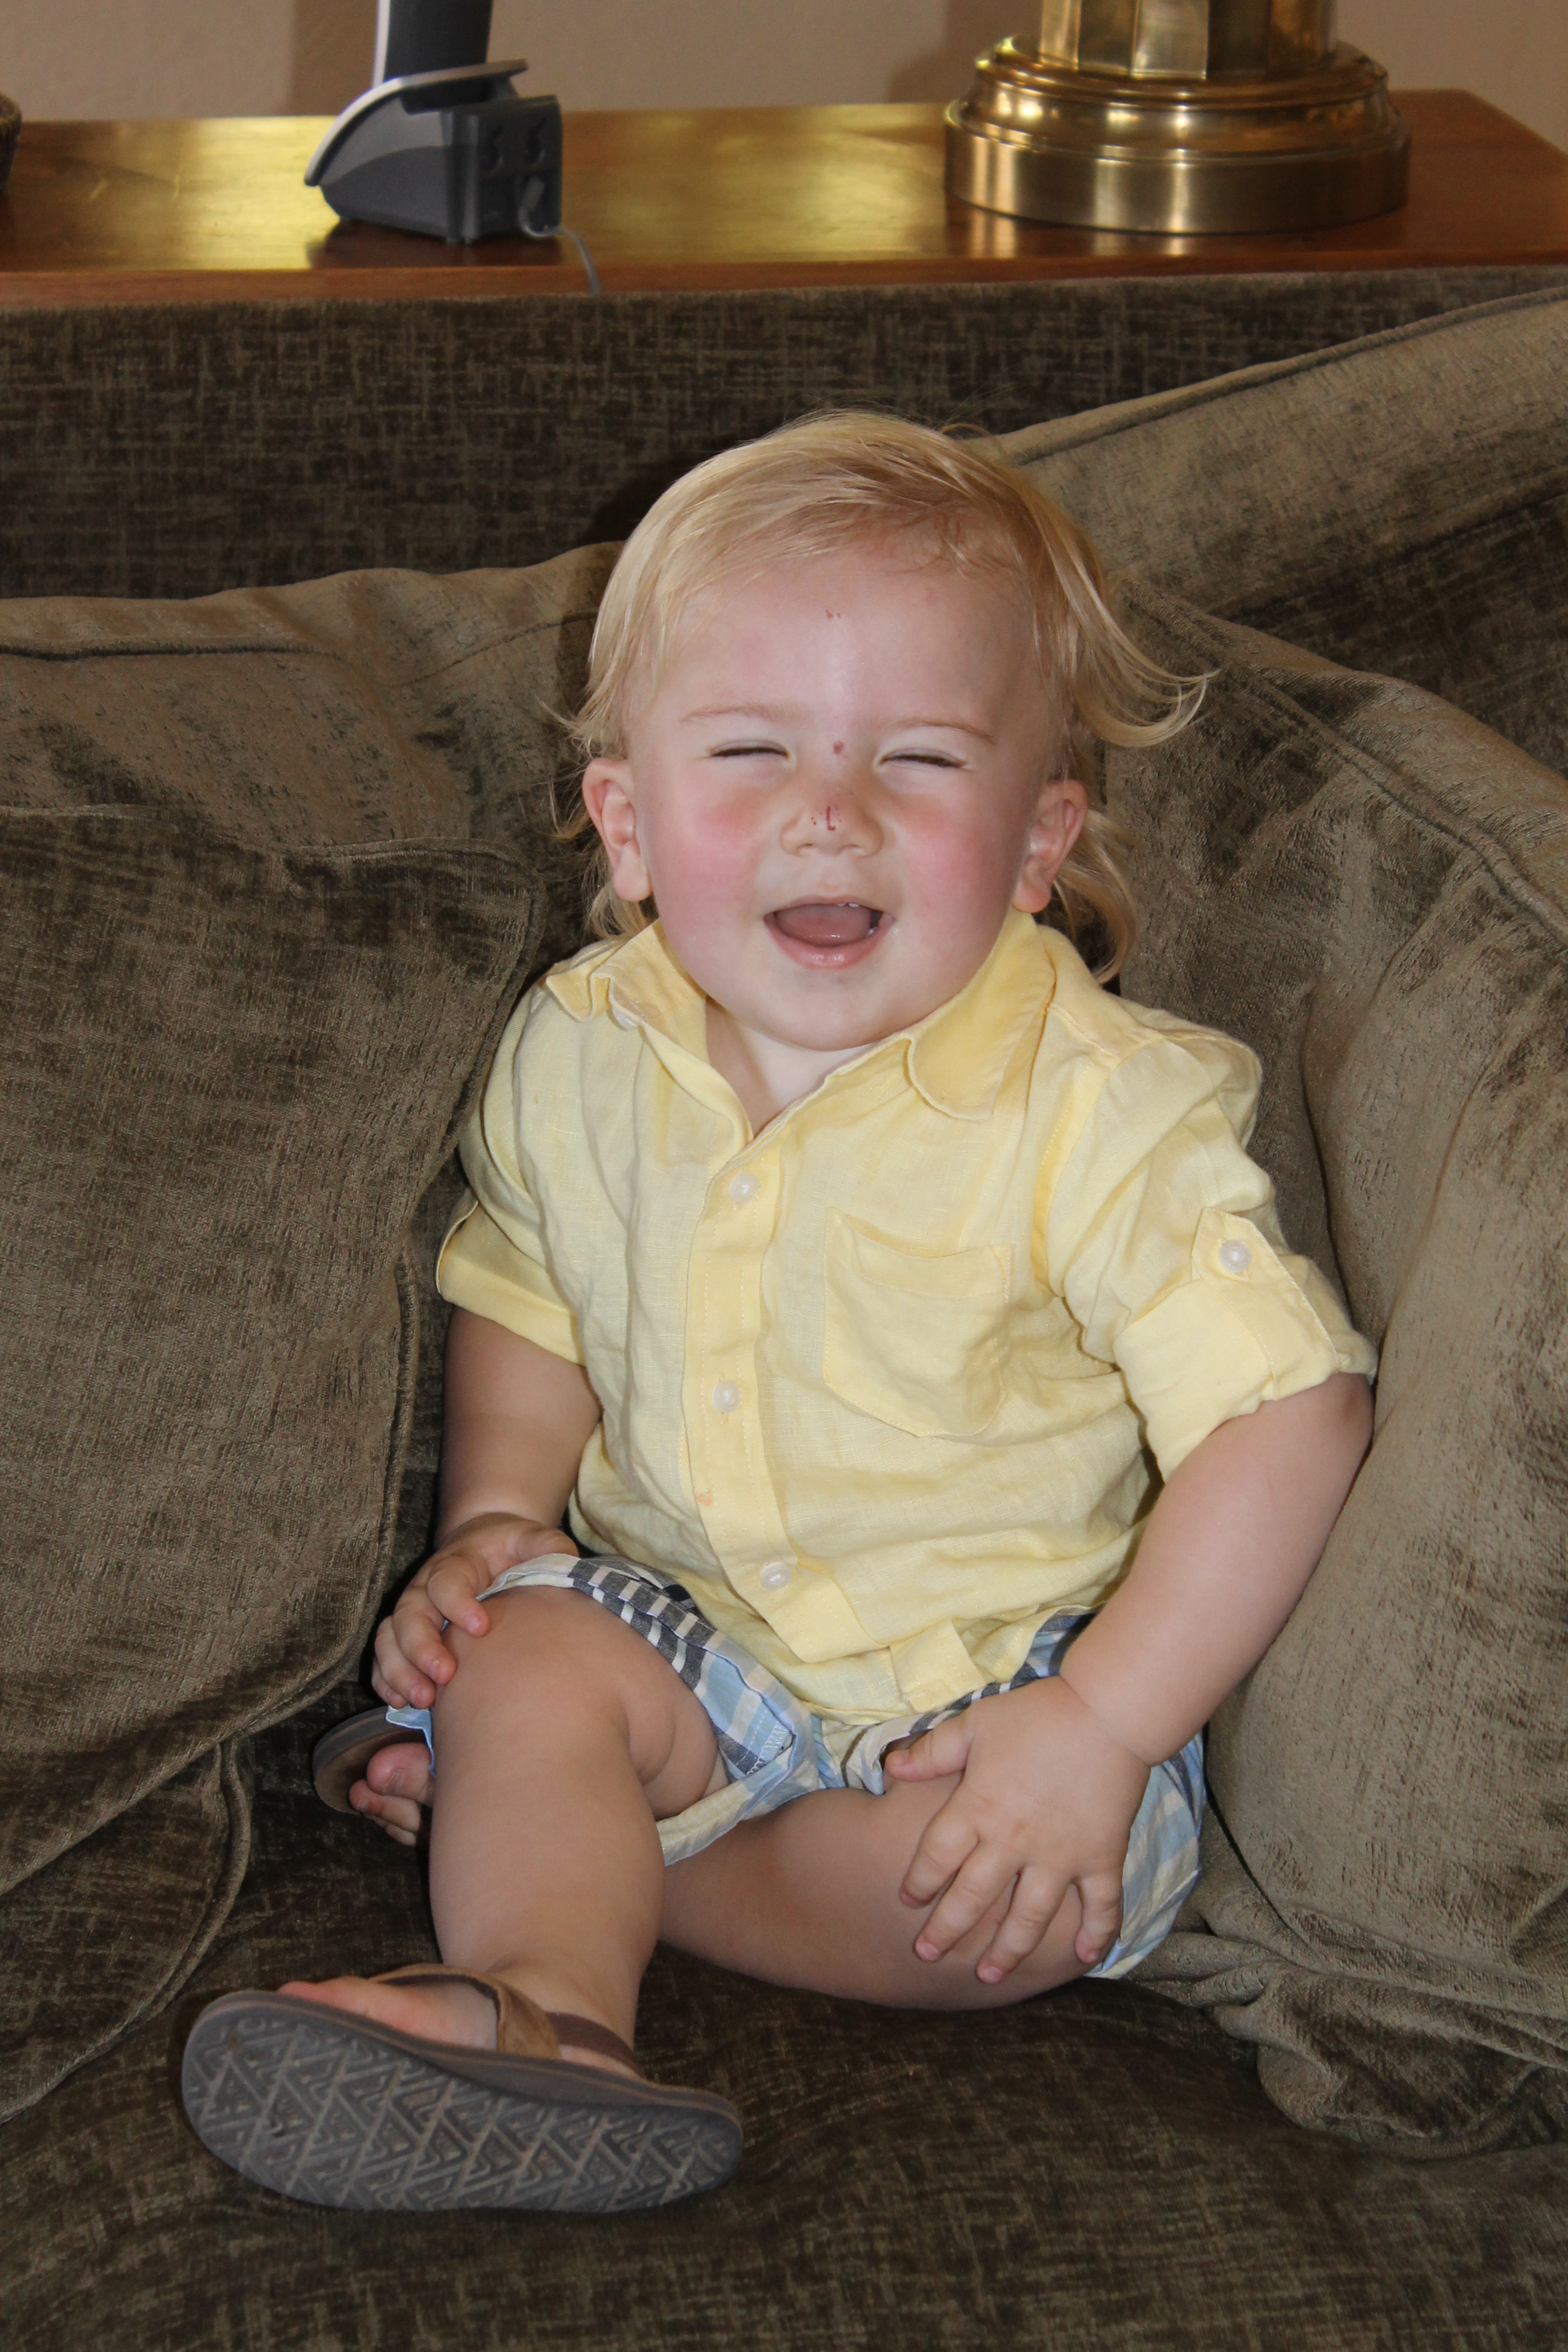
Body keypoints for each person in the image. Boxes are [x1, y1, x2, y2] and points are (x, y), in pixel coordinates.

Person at [181, 413, 1375, 2214]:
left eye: (920, 758)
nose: (832, 812)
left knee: (1009, 1908)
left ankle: (584, 1854)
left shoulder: (1099, 1111)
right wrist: (496, 1516)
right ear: (631, 826)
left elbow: (1294, 1412)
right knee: (514, 1650)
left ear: (1038, 842)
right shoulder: (585, 1049)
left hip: (996, 1698)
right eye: (752, 752)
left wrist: (1100, 1729)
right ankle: (545, 2007)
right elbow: (530, 1282)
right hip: (695, 1651)